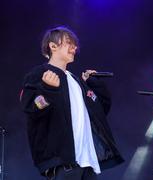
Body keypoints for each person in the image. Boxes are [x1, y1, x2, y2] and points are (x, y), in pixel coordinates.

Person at [20, 26, 124, 180]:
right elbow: (31, 108)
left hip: (88, 165)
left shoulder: (76, 81)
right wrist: (48, 90)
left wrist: (95, 85)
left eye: (75, 44)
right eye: (68, 43)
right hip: (63, 166)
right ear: (53, 46)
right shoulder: (38, 74)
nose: (74, 47)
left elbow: (99, 113)